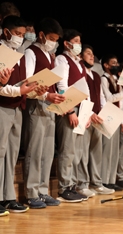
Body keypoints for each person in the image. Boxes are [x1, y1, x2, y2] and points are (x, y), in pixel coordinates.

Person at [0, 15, 41, 215]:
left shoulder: (18, 54)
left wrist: (34, 90)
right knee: (0, 153)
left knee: (11, 154)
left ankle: (8, 197)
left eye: (23, 35)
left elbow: (19, 85)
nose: (20, 38)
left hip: (17, 107)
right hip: (2, 106)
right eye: (17, 34)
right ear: (6, 32)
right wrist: (17, 90)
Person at [22, 17, 65, 209]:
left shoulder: (49, 56)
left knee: (47, 151)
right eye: (51, 38)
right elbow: (28, 83)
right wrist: (46, 95)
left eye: (56, 40)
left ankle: (42, 189)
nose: (53, 43)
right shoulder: (31, 52)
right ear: (41, 35)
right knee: (35, 150)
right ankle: (31, 192)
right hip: (36, 104)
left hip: (49, 107)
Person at [75, 44, 115, 197]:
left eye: (93, 54)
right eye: (88, 53)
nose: (92, 56)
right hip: (85, 115)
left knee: (96, 152)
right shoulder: (80, 73)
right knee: (83, 151)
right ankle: (82, 184)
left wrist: (103, 112)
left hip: (97, 117)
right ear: (80, 56)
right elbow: (82, 96)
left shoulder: (96, 76)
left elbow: (101, 97)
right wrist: (90, 112)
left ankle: (97, 183)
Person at [54, 28, 89, 202]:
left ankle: (72, 185)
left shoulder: (79, 62)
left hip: (81, 111)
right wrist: (70, 111)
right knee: (67, 151)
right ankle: (64, 188)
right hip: (69, 111)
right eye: (75, 41)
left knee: (76, 152)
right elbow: (62, 86)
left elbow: (85, 89)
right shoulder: (62, 59)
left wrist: (87, 113)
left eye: (79, 41)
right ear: (66, 43)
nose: (78, 45)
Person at [100, 55, 123, 191]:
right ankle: (104, 180)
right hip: (107, 115)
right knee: (107, 150)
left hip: (116, 116)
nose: (116, 65)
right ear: (106, 65)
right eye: (113, 63)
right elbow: (109, 98)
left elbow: (120, 104)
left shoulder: (116, 80)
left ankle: (111, 179)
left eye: (117, 62)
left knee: (114, 151)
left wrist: (122, 120)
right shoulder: (104, 78)